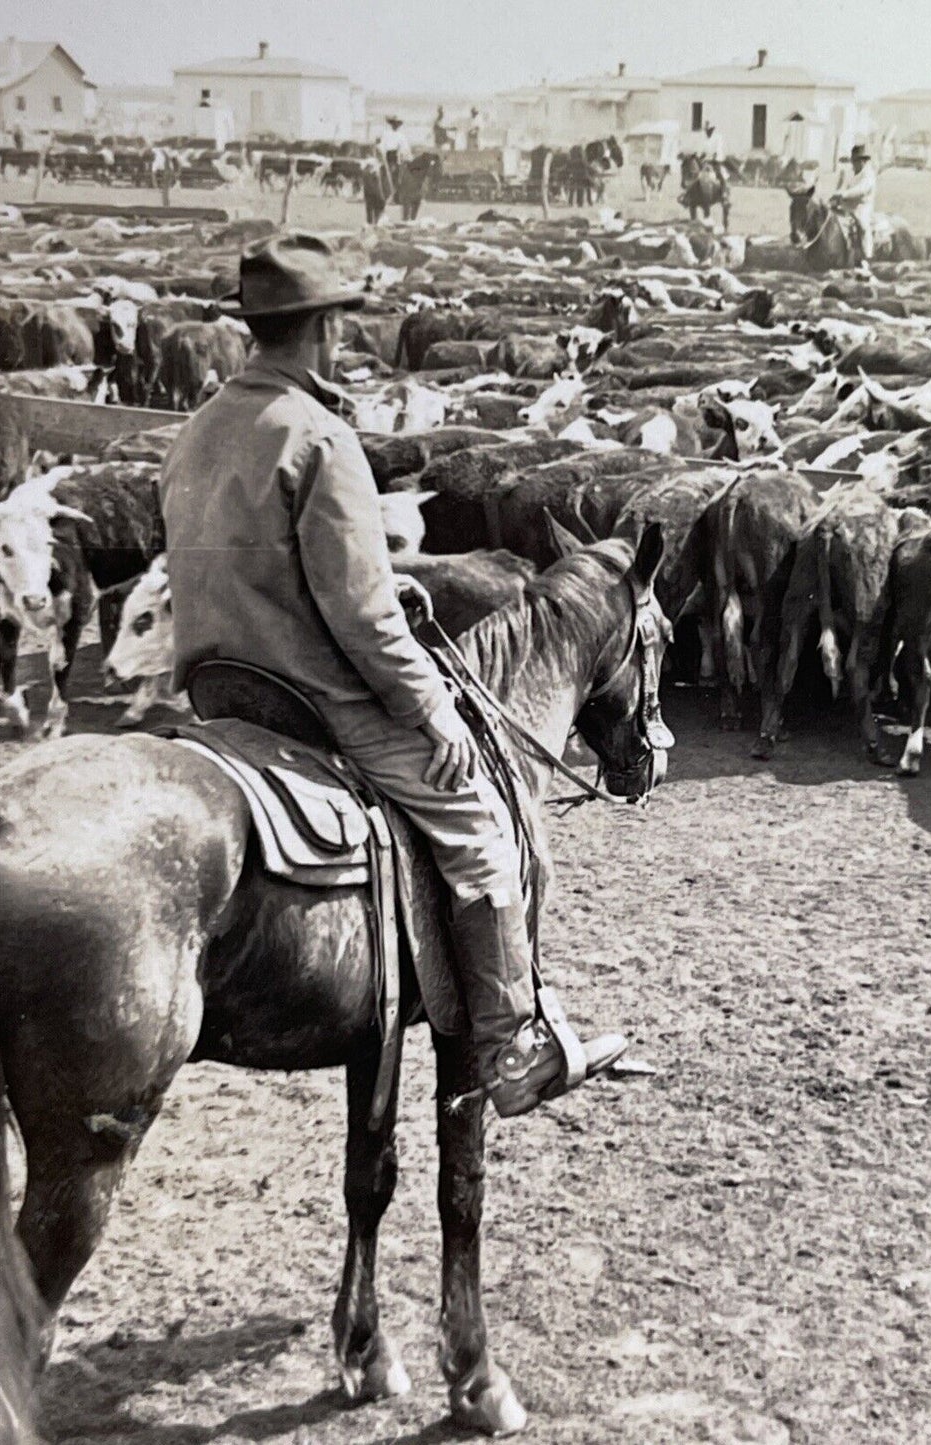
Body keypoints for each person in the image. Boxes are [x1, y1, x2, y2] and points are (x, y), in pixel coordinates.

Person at [159, 234, 628, 1116]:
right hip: (315, 695)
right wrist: (433, 712)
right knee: (481, 828)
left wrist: (380, 568)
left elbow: (250, 565)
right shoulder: (320, 436)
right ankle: (508, 1042)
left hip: (221, 688)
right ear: (325, 329)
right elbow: (364, 622)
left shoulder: (196, 429)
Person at [830, 141, 878, 263]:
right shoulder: (850, 173)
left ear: (863, 161)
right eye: (853, 161)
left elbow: (861, 190)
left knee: (863, 227)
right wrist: (835, 197)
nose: (853, 164)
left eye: (856, 161)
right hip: (846, 208)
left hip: (861, 208)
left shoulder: (868, 175)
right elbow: (842, 187)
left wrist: (843, 194)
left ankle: (866, 257)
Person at [699, 119, 727, 186]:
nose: (707, 131)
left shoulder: (718, 137)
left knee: (718, 172)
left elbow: (718, 149)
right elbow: (704, 150)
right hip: (707, 159)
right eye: (706, 130)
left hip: (716, 160)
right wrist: (700, 157)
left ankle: (723, 189)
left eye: (708, 130)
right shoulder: (705, 139)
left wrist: (714, 157)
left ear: (712, 129)